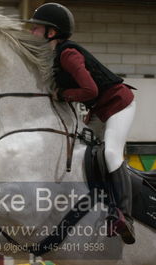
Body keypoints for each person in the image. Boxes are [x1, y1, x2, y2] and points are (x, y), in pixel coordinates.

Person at [24, 3, 136, 244]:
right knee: (82, 152)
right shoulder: (54, 56)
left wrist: (63, 95)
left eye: (36, 28)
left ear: (51, 33)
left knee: (111, 153)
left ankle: (124, 216)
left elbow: (89, 89)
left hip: (120, 104)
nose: (32, 32)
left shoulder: (68, 54)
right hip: (100, 108)